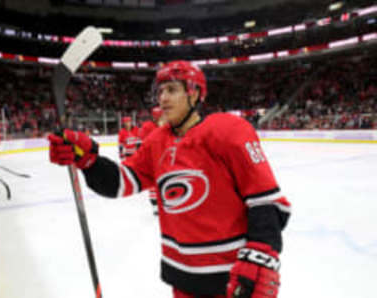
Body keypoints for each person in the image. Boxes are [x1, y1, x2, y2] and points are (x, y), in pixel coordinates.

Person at [48, 60, 291, 298]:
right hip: (181, 278)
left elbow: (264, 199)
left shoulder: (228, 130)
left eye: (172, 90)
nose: (163, 98)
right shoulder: (156, 141)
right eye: (161, 91)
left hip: (229, 279)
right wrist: (89, 160)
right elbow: (121, 182)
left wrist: (260, 254)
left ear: (194, 94)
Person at [139, 106, 165, 215]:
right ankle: (155, 205)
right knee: (153, 182)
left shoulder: (166, 125)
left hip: (164, 157)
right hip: (152, 157)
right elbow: (143, 143)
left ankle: (164, 202)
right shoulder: (147, 127)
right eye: (158, 117)